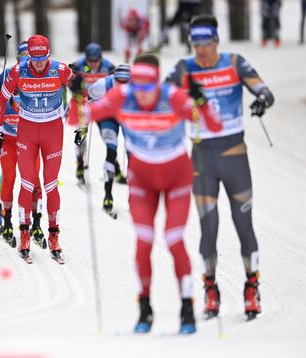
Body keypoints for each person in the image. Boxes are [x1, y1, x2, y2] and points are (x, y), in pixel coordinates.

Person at [84, 53, 222, 334]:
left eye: (148, 89)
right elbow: (78, 117)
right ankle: (145, 310)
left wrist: (201, 100)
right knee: (144, 242)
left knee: (173, 239)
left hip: (177, 179)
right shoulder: (122, 95)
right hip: (142, 180)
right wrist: (76, 96)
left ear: (157, 85)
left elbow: (214, 125)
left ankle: (186, 310)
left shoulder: (172, 97)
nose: (143, 96)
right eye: (138, 89)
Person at [165, 14, 275, 320]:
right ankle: (210, 289)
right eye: (195, 44)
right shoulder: (184, 69)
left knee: (243, 226)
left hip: (234, 155)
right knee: (208, 227)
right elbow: (161, 97)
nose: (201, 50)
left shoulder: (234, 62)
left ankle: (252, 287)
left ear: (216, 42)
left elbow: (264, 90)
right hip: (202, 159)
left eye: (206, 44)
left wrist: (262, 100)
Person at [0, 34, 74, 264]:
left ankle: (54, 236)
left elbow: (81, 93)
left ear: (48, 55)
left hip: (52, 131)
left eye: (42, 58)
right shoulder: (18, 71)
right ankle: (25, 235)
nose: (38, 63)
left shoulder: (60, 70)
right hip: (27, 131)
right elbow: (0, 101)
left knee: (50, 183)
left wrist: (82, 125)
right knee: (27, 182)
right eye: (34, 58)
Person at [0, 41, 44, 247]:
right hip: (9, 140)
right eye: (22, 57)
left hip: (30, 139)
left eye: (29, 57)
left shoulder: (41, 77)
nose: (26, 61)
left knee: (33, 180)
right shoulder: (8, 76)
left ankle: (36, 223)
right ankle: (6, 221)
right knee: (10, 177)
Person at [67, 42, 115, 186]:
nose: (93, 64)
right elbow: (69, 82)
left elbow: (115, 83)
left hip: (101, 105)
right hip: (83, 104)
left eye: (96, 61)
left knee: (108, 134)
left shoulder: (109, 67)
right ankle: (80, 162)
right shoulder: (78, 66)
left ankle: (115, 165)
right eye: (90, 61)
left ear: (101, 58)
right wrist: (75, 86)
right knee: (81, 134)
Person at [86, 64, 130, 215]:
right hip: (109, 117)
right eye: (119, 81)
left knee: (133, 154)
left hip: (126, 117)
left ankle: (134, 195)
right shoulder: (102, 85)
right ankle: (108, 194)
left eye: (126, 82)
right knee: (111, 150)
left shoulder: (139, 85)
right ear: (114, 78)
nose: (122, 86)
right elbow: (88, 97)